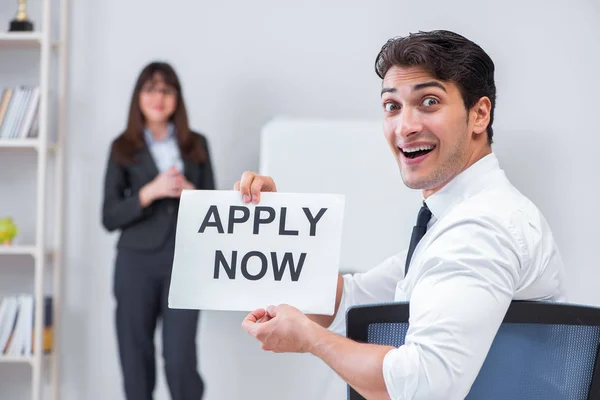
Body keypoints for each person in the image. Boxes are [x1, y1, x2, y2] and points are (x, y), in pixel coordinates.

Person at [235, 30, 566, 400]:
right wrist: (275, 230)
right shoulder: (452, 221)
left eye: (428, 101)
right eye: (392, 106)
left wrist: (312, 340)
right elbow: (353, 302)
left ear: (479, 114)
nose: (405, 127)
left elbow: (423, 386)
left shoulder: (480, 229)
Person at [102, 61, 214, 400]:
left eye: (166, 89)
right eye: (150, 89)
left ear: (177, 98)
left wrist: (191, 192)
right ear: (138, 97)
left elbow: (216, 209)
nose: (158, 97)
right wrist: (150, 191)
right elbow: (109, 216)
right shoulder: (122, 147)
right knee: (135, 358)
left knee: (180, 360)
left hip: (184, 263)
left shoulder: (196, 144)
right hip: (135, 262)